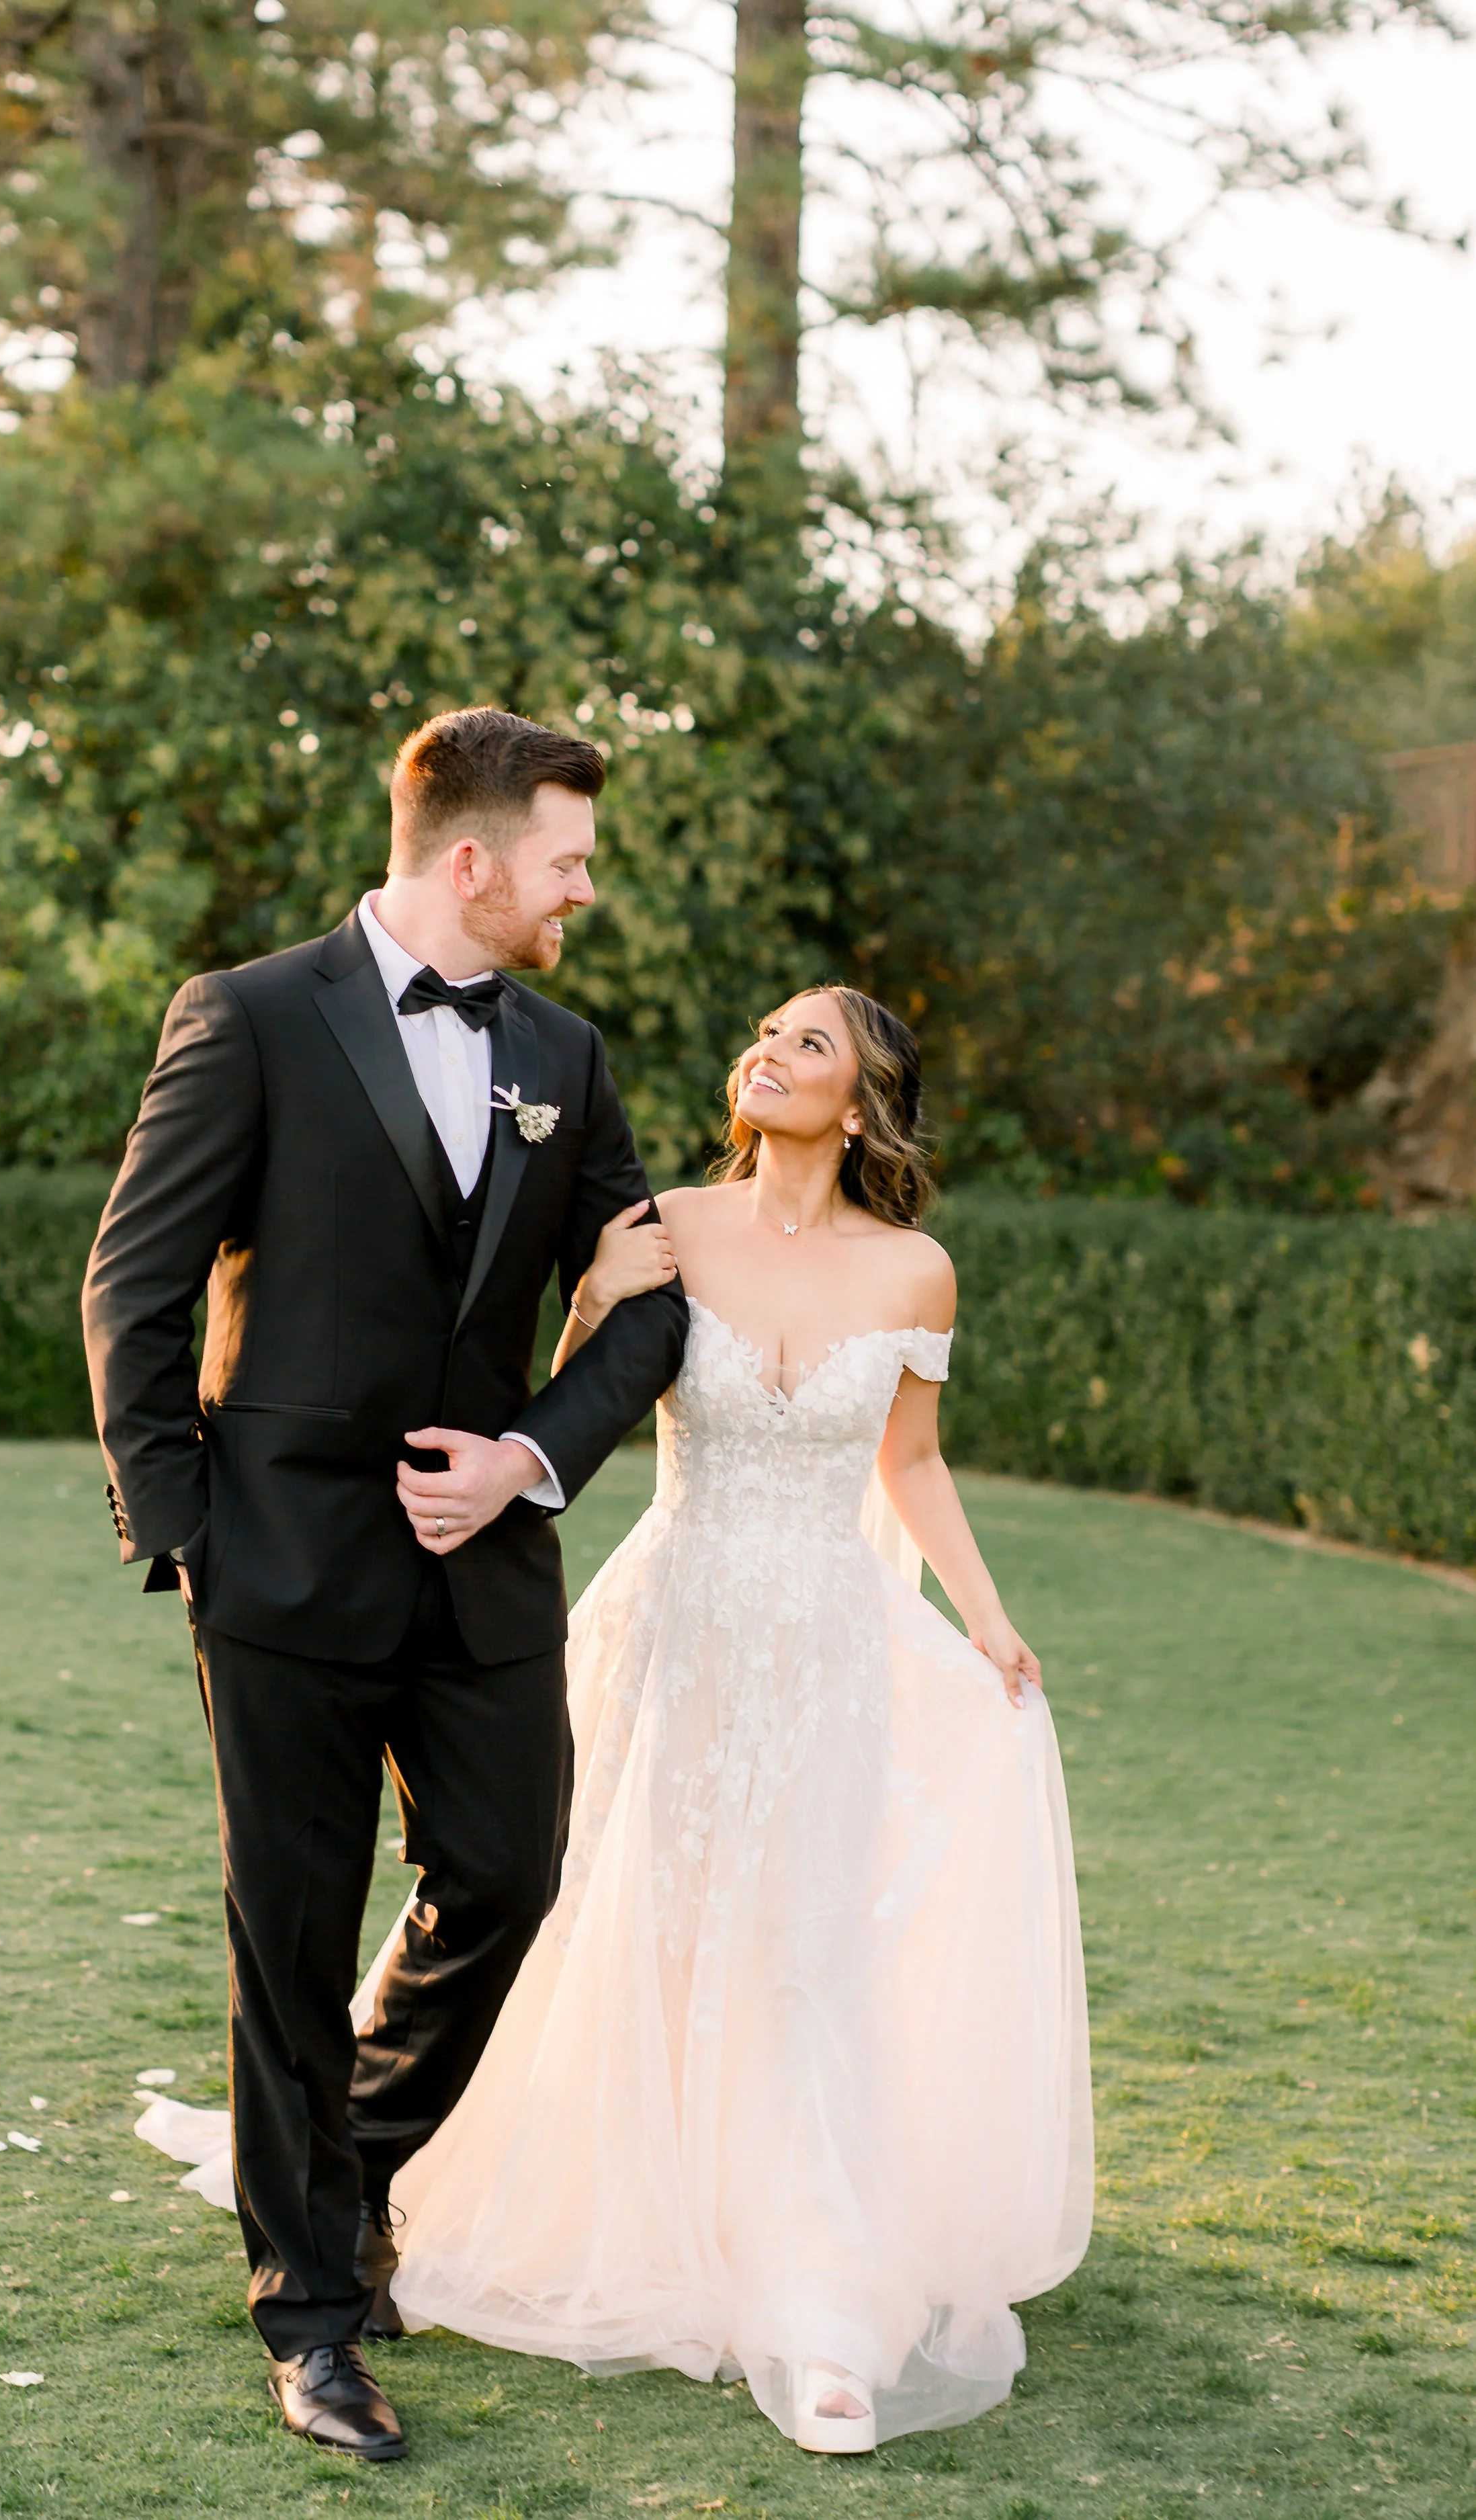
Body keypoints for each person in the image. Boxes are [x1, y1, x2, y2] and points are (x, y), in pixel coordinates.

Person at [81, 706, 689, 2463]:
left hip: (485, 1566)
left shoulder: (566, 1052)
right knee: (288, 1934)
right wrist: (183, 1522)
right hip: (276, 1563)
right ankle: (317, 2309)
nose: (585, 886)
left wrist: (529, 1449)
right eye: (568, 856)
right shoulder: (251, 1015)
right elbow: (136, 1275)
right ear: (475, 859)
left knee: (507, 1865)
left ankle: (338, 2161)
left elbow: (646, 1294)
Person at [368, 984, 1094, 2453]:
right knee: (623, 1909)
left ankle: (818, 2290)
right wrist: (587, 1294)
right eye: (760, 1033)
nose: (765, 1052)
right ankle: (456, 2165)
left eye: (805, 1043)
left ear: (862, 1097)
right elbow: (574, 1389)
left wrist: (986, 1613)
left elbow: (913, 1463)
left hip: (823, 1646)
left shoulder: (913, 1272)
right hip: (671, 1619)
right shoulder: (669, 1227)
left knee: (801, 1944)